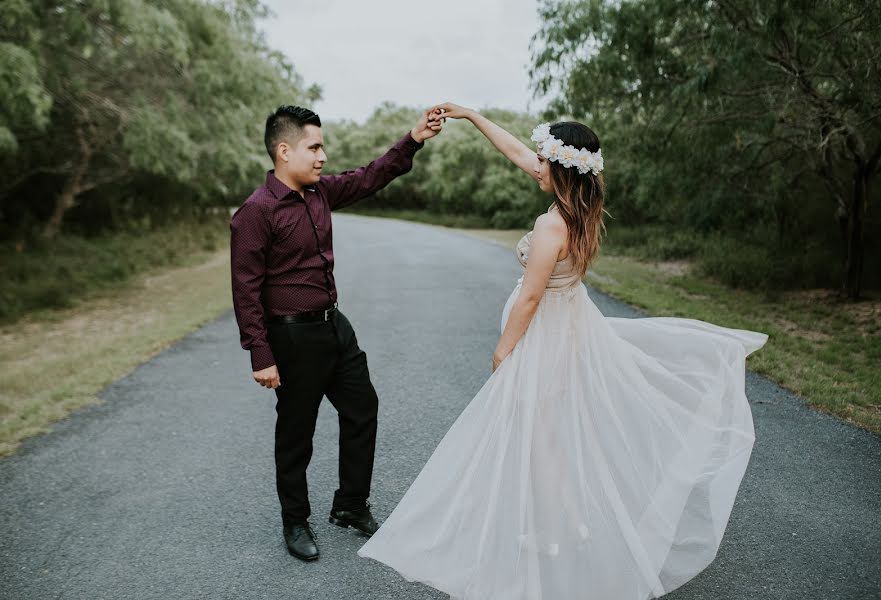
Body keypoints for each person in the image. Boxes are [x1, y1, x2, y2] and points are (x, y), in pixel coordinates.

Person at [358, 103, 768, 599]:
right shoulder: (579, 207)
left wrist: (503, 350)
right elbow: (513, 150)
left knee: (542, 437)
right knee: (552, 433)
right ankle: (565, 525)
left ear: (559, 167)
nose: (534, 164)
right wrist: (470, 116)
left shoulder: (551, 224)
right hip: (572, 326)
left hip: (546, 338)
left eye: (542, 159)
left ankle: (563, 532)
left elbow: (530, 298)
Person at [230, 105, 442, 562]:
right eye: (315, 146)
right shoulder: (256, 212)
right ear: (284, 151)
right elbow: (245, 289)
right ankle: (295, 521)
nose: (323, 156)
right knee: (296, 434)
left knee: (363, 407)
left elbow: (371, 176)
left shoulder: (320, 193)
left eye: (322, 146)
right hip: (291, 339)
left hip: (334, 326)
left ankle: (349, 505)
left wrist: (414, 138)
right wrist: (260, 353)